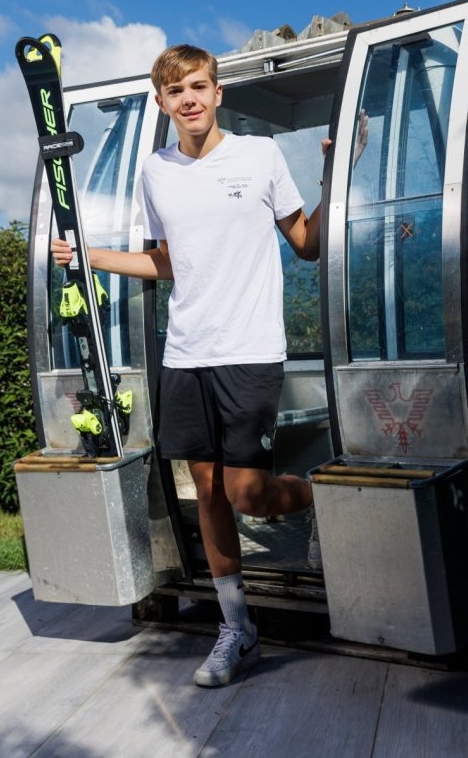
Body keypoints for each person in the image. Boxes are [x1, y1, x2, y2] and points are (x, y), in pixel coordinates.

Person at [50, 44, 323, 688]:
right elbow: (167, 261)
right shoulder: (156, 172)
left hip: (250, 350)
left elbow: (306, 247)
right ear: (162, 103)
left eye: (199, 86)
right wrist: (88, 257)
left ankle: (332, 499)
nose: (190, 99)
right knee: (206, 490)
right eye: (176, 92)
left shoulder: (260, 157)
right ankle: (237, 629)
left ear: (218, 92)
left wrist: (339, 179)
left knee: (246, 493)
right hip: (187, 351)